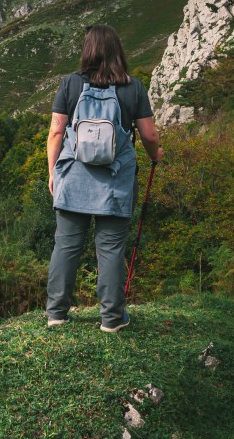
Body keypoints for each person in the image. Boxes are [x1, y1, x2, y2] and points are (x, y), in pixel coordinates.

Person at [46, 24, 162, 332]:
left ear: (87, 50)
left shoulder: (70, 84)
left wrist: (52, 173)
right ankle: (111, 319)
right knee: (110, 247)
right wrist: (155, 156)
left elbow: (56, 132)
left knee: (67, 245)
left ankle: (56, 313)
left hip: (73, 177)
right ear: (117, 51)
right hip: (115, 182)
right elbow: (149, 134)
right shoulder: (133, 87)